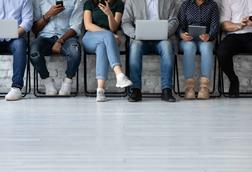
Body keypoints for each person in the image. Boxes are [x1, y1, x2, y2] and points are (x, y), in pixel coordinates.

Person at [121, 0, 178, 102]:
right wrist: (135, 34)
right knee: (135, 47)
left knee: (167, 46)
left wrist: (164, 32)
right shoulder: (131, 1)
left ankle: (167, 90)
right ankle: (135, 90)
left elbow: (174, 20)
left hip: (162, 39)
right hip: (140, 39)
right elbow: (125, 22)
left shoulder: (169, 1)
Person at [82, 0, 132, 102]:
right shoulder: (90, 3)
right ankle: (119, 74)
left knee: (102, 47)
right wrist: (109, 35)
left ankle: (100, 91)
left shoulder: (119, 4)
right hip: (90, 37)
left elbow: (114, 28)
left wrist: (109, 14)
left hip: (107, 41)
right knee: (107, 36)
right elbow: (88, 25)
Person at [30, 0, 83, 96]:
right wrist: (48, 15)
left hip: (67, 38)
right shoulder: (39, 1)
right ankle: (47, 81)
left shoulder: (76, 1)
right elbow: (34, 29)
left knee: (75, 51)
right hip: (44, 37)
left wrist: (60, 41)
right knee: (34, 52)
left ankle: (67, 81)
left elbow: (76, 27)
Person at [177, 0, 219, 100]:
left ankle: (204, 87)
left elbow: (215, 26)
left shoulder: (212, 5)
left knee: (207, 47)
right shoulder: (186, 4)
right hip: (187, 41)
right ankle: (189, 87)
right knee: (190, 47)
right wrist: (182, 34)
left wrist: (209, 36)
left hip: (204, 40)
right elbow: (179, 25)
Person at [217, 0, 252, 98]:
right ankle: (233, 80)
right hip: (235, 35)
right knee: (222, 53)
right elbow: (223, 24)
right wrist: (239, 25)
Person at [0, 0, 33, 101]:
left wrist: (8, 32)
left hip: (15, 37)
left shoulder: (24, 1)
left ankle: (16, 87)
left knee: (20, 45)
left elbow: (27, 22)